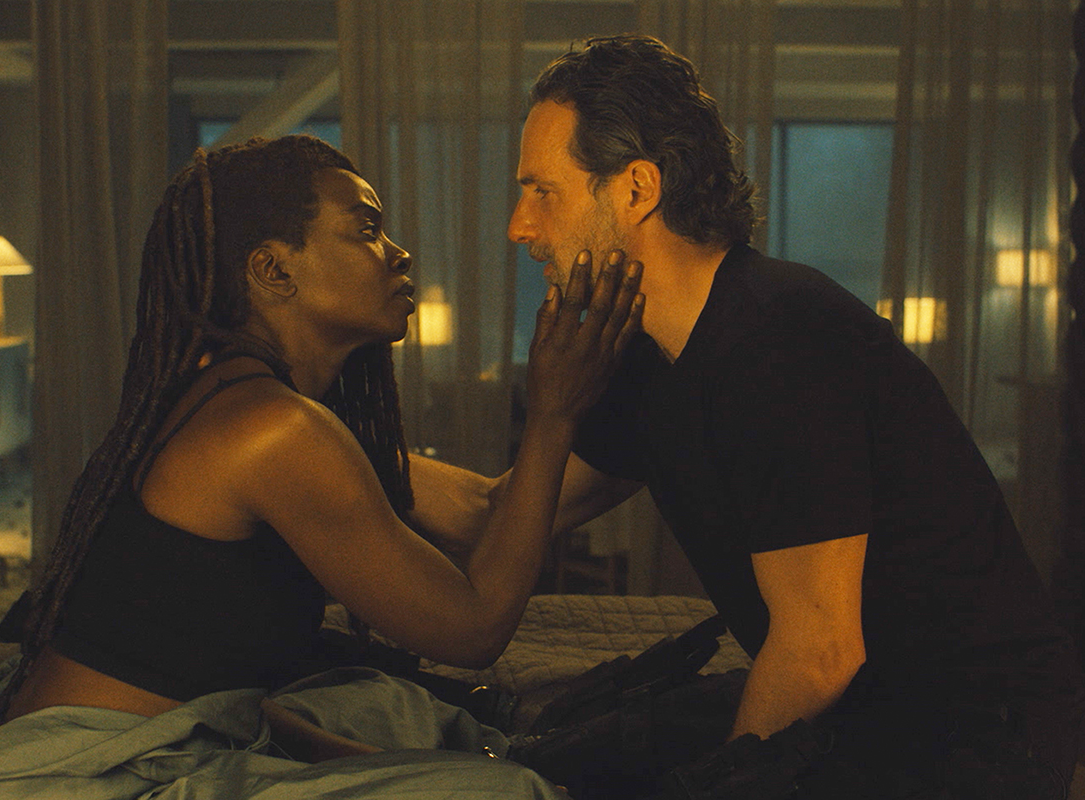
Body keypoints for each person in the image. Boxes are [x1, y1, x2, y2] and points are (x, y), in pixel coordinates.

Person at [409, 34, 1085, 799]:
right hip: (855, 698)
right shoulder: (644, 357)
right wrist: (343, 444)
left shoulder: (779, 339)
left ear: (636, 189)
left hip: (967, 726)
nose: (518, 226)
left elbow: (820, 651)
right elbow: (499, 513)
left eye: (542, 191)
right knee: (541, 764)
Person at [0, 134, 643, 798]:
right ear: (274, 271)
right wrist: (552, 412)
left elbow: (485, 513)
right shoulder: (272, 431)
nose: (398, 252)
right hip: (91, 776)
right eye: (368, 230)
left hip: (163, 739)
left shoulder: (247, 402)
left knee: (390, 706)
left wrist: (662, 426)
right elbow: (474, 628)